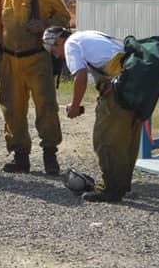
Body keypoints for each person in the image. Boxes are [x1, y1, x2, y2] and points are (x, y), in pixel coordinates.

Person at [0, 0, 70, 175]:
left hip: (37, 58)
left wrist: (44, 24)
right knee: (11, 109)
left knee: (47, 107)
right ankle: (20, 156)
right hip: (9, 61)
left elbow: (64, 18)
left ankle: (50, 155)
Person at [42, 27, 141, 202]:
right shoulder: (87, 36)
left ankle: (109, 189)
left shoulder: (71, 44)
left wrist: (74, 106)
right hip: (134, 87)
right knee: (127, 141)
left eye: (53, 49)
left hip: (117, 92)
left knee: (104, 139)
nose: (56, 55)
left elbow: (80, 76)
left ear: (58, 40)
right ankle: (122, 186)